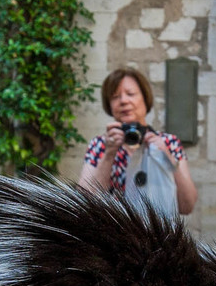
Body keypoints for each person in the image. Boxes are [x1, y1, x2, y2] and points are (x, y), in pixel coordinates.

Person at [79, 66, 198, 219]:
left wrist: (166, 156)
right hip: (114, 236)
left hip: (158, 236)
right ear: (109, 105)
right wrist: (109, 153)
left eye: (130, 94)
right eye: (115, 97)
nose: (123, 101)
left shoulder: (168, 143)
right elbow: (83, 201)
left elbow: (187, 206)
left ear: (145, 98)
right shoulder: (101, 145)